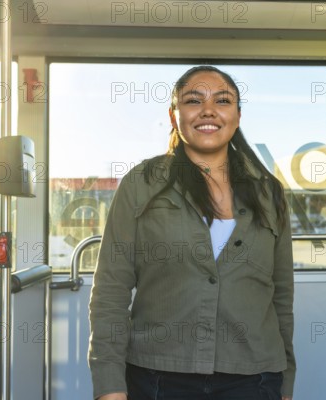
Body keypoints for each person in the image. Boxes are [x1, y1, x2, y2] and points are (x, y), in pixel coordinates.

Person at [88, 65, 296, 400]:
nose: (208, 110)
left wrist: (285, 382)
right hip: (158, 378)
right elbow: (110, 291)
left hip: (254, 378)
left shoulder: (269, 193)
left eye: (223, 100)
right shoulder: (141, 184)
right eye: (193, 100)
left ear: (238, 116)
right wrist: (110, 385)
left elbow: (282, 296)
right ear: (174, 116)